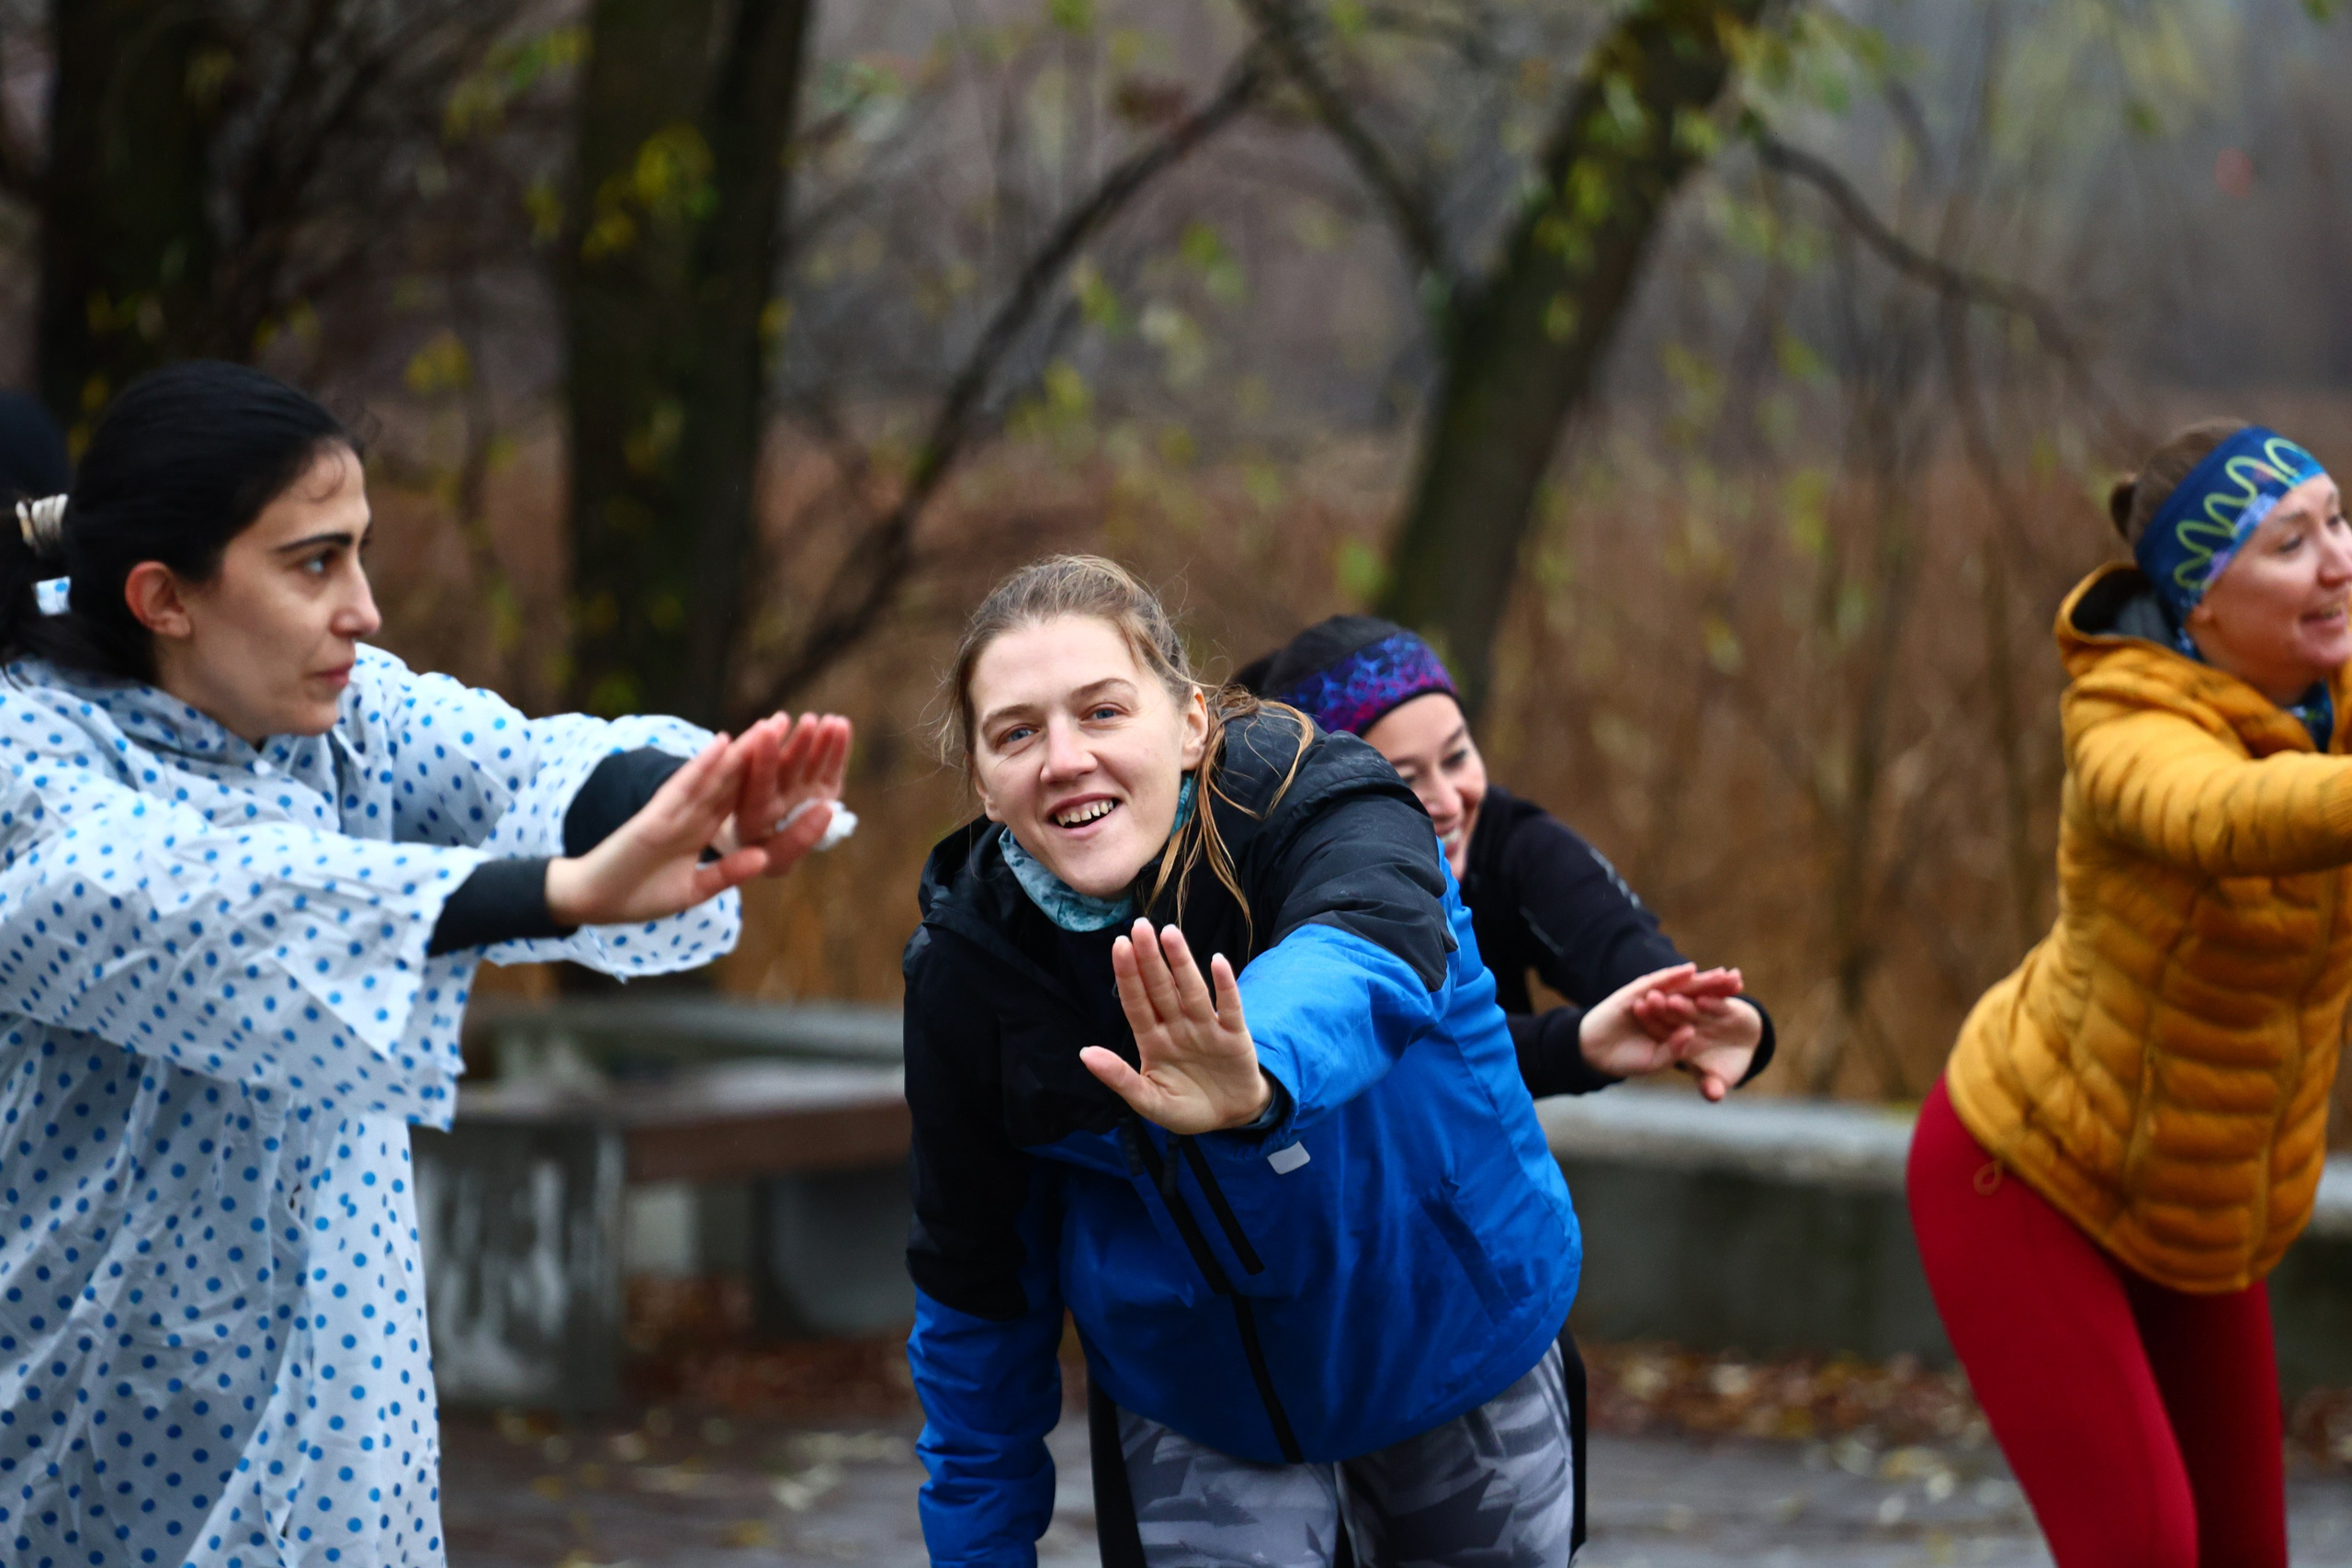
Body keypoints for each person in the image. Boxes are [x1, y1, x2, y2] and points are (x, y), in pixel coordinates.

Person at [0, 361, 853, 1568]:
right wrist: (560, 893)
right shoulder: (29, 757)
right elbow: (215, 901)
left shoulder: (341, 711)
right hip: (103, 1441)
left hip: (344, 1434)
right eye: (312, 563)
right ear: (164, 595)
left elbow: (513, 767)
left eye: (358, 552)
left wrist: (696, 797)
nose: (365, 608)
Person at [902, 557, 1695, 1568]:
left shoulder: (1327, 796)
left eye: (1102, 712)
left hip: (1451, 1344)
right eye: (1017, 732)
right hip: (1192, 1398)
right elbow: (976, 1288)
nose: (1063, 759)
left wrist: (1256, 1069)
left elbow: (1361, 951)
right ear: (979, 776)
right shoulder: (969, 970)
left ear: (1190, 723)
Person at [1909, 421, 2351, 1568]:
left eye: (2338, 521)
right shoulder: (2125, 725)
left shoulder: (2333, 689)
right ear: (2199, 602)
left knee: (2244, 1552)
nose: (2338, 559)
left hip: (2193, 1206)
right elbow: (2228, 819)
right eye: (2290, 543)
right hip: (2028, 1171)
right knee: (2143, 1544)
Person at [1238, 617, 1772, 1101]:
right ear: (1335, 801)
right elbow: (1399, 1054)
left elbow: (1611, 938)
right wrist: (1575, 1045)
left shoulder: (1507, 837)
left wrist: (1700, 1016)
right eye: (1405, 779)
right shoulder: (1296, 901)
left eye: (1456, 757)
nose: (1449, 802)